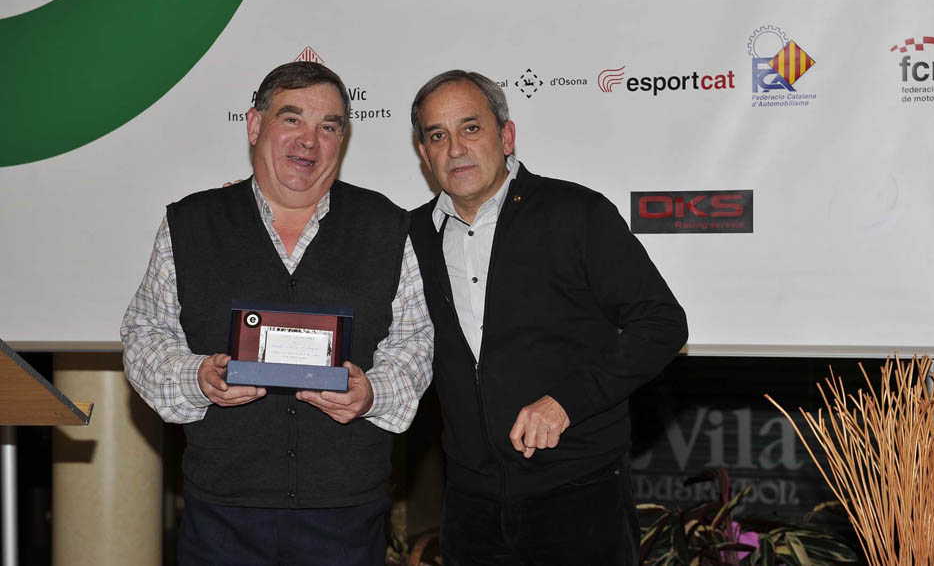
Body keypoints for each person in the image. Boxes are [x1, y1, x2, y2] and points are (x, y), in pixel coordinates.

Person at [121, 61, 433, 565]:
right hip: (222, 515)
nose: (309, 141)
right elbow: (144, 335)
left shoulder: (386, 226)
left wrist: (371, 393)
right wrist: (198, 377)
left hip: (346, 514)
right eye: (292, 119)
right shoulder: (190, 223)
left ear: (342, 139)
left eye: (328, 126)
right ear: (254, 125)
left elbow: (416, 343)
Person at [407, 70, 688, 565]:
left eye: (470, 128)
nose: (455, 149)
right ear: (424, 153)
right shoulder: (412, 237)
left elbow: (661, 323)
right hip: (471, 506)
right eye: (437, 135)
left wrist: (567, 402)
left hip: (579, 494)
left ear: (506, 136)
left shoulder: (575, 213)